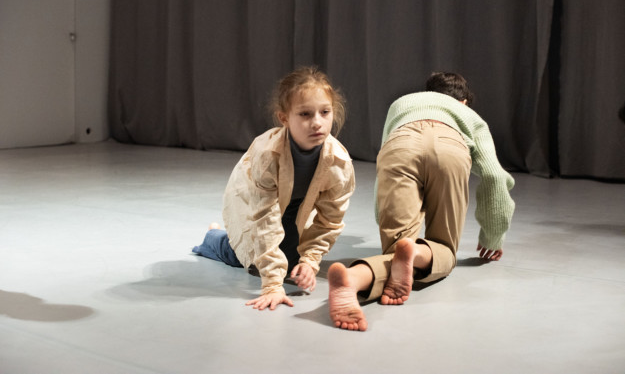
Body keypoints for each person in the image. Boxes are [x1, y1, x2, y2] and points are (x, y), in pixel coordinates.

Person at [328, 72, 515, 331]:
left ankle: (352, 278)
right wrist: (493, 236)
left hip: (400, 146)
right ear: (463, 102)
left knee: (394, 251)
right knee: (443, 250)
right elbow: (495, 176)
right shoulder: (469, 116)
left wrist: (383, 216)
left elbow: (384, 162)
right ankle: (414, 252)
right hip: (450, 148)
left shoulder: (402, 103)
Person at [193, 66, 355, 311]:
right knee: (250, 262)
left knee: (292, 264)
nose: (317, 123)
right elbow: (263, 219)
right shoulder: (267, 155)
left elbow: (330, 220)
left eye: (325, 112)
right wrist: (272, 285)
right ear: (284, 118)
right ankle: (214, 238)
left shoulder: (339, 162)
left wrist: (310, 262)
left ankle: (270, 251)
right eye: (305, 114)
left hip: (296, 205)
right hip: (254, 202)